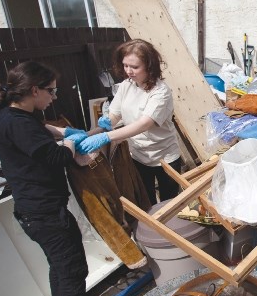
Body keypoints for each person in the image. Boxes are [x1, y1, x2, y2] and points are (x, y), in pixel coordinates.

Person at [0, 61, 94, 296]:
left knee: (61, 266)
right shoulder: (17, 124)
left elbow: (39, 130)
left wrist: (58, 131)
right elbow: (55, 157)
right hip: (45, 212)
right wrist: (71, 143)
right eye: (51, 91)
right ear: (34, 90)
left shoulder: (9, 115)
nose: (54, 97)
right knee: (73, 268)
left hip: (36, 209)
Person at [77, 39, 182, 205]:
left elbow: (144, 124)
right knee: (146, 200)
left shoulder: (160, 92)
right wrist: (106, 122)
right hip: (138, 155)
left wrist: (107, 137)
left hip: (164, 157)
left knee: (169, 203)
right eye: (126, 65)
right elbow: (115, 113)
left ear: (149, 65)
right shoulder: (127, 85)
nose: (129, 71)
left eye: (134, 67)